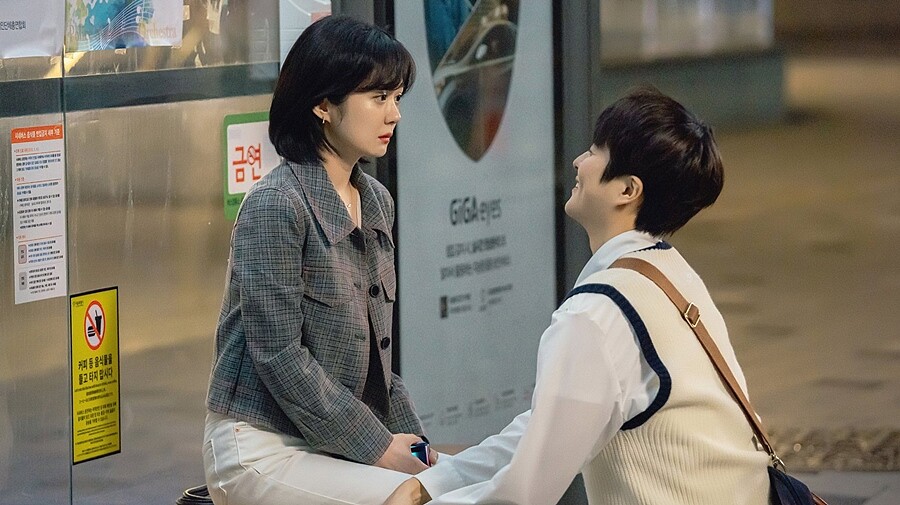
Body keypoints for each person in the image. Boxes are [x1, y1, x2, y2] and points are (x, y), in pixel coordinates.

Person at [385, 88, 771, 505]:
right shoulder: (671, 272)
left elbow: (525, 493)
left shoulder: (597, 315)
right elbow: (553, 426)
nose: (578, 161)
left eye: (594, 152)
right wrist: (439, 480)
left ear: (627, 190)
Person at [203, 15, 435, 505]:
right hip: (261, 445)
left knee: (454, 487)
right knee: (408, 497)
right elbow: (279, 356)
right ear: (323, 104)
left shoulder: (375, 201)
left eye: (397, 98)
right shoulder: (277, 204)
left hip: (330, 440)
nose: (395, 115)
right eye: (379, 97)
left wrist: (418, 446)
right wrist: (379, 448)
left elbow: (378, 363)